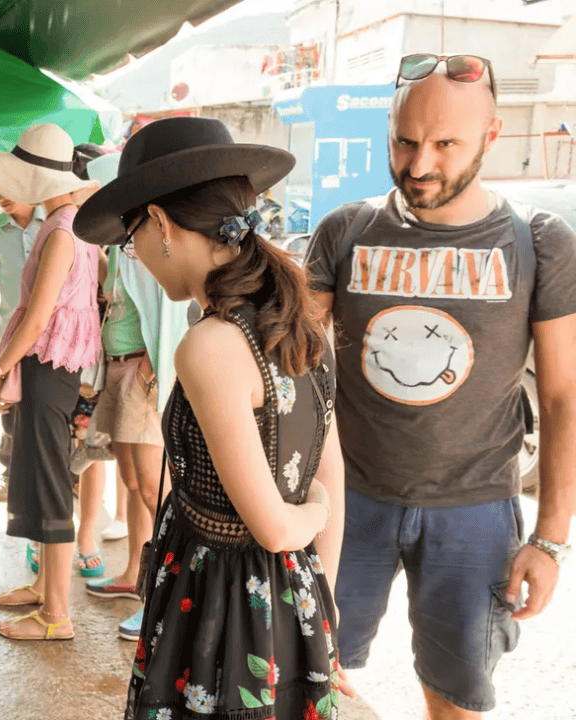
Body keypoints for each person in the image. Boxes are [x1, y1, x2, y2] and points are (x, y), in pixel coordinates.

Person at [304, 54, 576, 720]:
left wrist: (548, 538)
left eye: (445, 144)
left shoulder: (539, 241)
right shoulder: (344, 230)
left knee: (457, 697)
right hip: (346, 501)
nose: (419, 164)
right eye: (404, 141)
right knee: (309, 675)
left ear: (492, 134)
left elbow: (563, 396)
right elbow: (294, 367)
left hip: (475, 511)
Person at [73, 116, 351, 717]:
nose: (136, 257)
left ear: (160, 223)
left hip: (223, 607)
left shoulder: (209, 345)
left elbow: (275, 527)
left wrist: (316, 512)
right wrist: (321, 610)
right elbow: (328, 470)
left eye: (131, 241)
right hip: (294, 597)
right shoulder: (300, 318)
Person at [0, 122, 101, 641]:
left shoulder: (62, 231)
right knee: (39, 476)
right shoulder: (69, 224)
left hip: (49, 369)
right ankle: (45, 590)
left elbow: (35, 318)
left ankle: (56, 615)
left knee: (51, 485)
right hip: (52, 368)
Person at [80, 151, 192, 642]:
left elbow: (169, 312)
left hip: (142, 377)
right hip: (120, 371)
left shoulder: (149, 244)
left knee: (153, 489)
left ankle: (162, 603)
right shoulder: (122, 246)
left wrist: (151, 370)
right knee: (131, 481)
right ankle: (134, 575)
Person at [0, 187, 42, 503]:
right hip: (10, 336)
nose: (0, 196)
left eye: (6, 188)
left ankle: (62, 475)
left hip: (52, 336)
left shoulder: (54, 221)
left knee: (48, 409)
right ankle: (11, 472)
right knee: (10, 407)